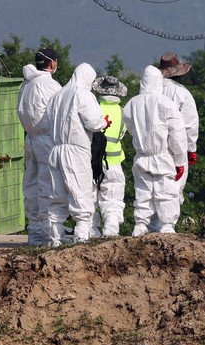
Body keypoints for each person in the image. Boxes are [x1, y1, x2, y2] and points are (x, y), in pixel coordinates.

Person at [44, 62, 111, 246]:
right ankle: (82, 236)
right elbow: (93, 123)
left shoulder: (56, 96)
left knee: (56, 195)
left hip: (55, 150)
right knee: (81, 193)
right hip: (76, 150)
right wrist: (104, 122)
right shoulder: (83, 94)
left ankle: (55, 238)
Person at [123, 66, 188, 235]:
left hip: (142, 155)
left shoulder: (131, 104)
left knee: (143, 191)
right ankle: (167, 226)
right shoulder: (166, 103)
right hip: (162, 155)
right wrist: (180, 160)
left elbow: (130, 128)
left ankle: (140, 225)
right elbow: (178, 135)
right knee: (166, 191)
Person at [16, 48, 61, 245]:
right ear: (52, 64)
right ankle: (50, 232)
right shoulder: (50, 85)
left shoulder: (26, 84)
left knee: (31, 186)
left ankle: (34, 232)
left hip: (30, 139)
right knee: (47, 185)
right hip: (46, 139)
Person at [159, 53, 199, 224]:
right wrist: (191, 149)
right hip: (177, 148)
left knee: (154, 190)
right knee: (174, 189)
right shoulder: (182, 93)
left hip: (153, 148)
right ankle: (169, 227)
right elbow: (190, 124)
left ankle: (153, 228)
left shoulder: (148, 91)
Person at [91, 75, 128, 237]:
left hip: (92, 161)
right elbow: (122, 134)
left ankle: (90, 229)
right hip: (114, 160)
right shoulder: (123, 112)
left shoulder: (94, 108)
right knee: (113, 196)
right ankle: (111, 228)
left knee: (90, 196)